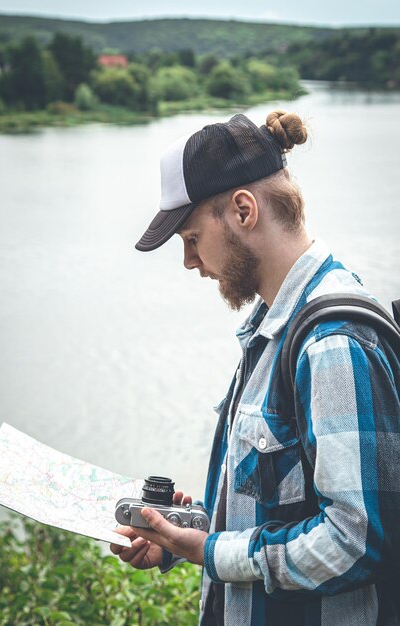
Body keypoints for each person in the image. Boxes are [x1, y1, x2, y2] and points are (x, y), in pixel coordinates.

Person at [110, 111, 400, 625]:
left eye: (192, 238)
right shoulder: (273, 328)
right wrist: (184, 536)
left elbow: (356, 543)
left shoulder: (330, 344)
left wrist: (211, 551)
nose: (189, 262)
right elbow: (284, 504)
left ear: (244, 210)